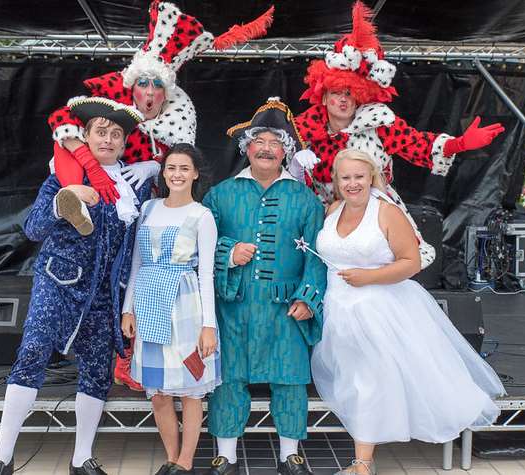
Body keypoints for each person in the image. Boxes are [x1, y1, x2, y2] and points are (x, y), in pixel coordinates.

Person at [46, 0, 274, 390]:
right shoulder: (109, 107)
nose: (149, 92)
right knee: (104, 279)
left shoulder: (179, 118)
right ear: (132, 84)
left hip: (151, 215)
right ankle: (94, 349)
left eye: (157, 85)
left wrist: (157, 164)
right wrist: (85, 157)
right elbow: (61, 119)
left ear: (166, 90)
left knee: (131, 281)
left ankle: (130, 356)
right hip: (103, 201)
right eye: (143, 83)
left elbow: (181, 164)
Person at [0, 97, 151, 475]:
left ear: (124, 143)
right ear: (86, 137)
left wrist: (129, 302)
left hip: (105, 292)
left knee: (97, 371)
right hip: (58, 281)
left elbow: (137, 247)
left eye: (116, 135)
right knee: (32, 356)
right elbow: (32, 228)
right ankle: (2, 455)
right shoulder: (64, 176)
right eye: (100, 132)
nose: (108, 140)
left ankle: (81, 458)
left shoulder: (134, 185)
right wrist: (65, 202)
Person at [310, 149, 505, 475]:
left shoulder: (387, 212)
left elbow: (411, 263)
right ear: (336, 180)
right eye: (346, 177)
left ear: (371, 176)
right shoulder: (332, 210)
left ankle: (362, 463)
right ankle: (364, 455)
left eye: (359, 176)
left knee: (368, 381)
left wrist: (368, 276)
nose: (353, 183)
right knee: (351, 382)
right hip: (337, 309)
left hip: (378, 308)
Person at [292, 2, 505, 269]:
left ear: (361, 95)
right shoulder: (303, 129)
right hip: (322, 214)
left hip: (371, 211)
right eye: (337, 93)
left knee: (381, 269)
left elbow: (417, 144)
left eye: (350, 93)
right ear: (324, 95)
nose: (343, 101)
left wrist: (459, 144)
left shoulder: (378, 122)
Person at [203, 98, 327, 475]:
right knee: (228, 380)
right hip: (234, 305)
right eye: (261, 141)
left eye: (276, 142)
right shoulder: (220, 195)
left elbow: (318, 255)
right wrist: (227, 252)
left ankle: (290, 454)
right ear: (247, 148)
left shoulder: (305, 199)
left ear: (286, 151)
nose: (268, 148)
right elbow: (199, 246)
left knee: (289, 380)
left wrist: (309, 298)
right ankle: (226, 455)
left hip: (285, 307)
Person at [121, 143, 220, 475]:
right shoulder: (148, 208)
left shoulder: (201, 215)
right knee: (159, 391)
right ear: (163, 173)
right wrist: (127, 309)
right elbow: (136, 264)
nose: (177, 174)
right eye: (171, 168)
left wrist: (209, 326)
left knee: (191, 389)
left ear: (194, 174)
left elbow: (206, 273)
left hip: (184, 305)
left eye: (183, 169)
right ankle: (170, 456)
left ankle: (186, 461)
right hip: (149, 304)